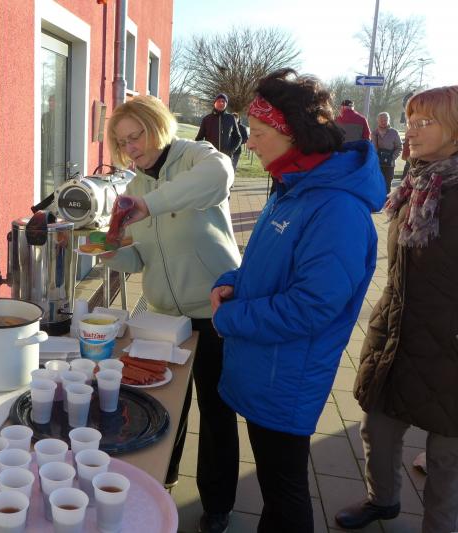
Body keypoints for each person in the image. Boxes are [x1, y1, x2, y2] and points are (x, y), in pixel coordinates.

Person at [210, 69, 386, 533]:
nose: (250, 143)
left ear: (294, 134)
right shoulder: (292, 185)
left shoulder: (337, 208)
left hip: (286, 377)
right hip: (265, 367)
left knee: (285, 492)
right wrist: (233, 282)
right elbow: (268, 266)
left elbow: (313, 306)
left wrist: (230, 318)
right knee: (275, 488)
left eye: (259, 133)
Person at [102, 95, 242, 533]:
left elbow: (220, 177)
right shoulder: (134, 187)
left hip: (214, 311)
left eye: (136, 136)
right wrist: (107, 251)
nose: (131, 148)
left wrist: (151, 205)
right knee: (163, 408)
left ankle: (217, 504)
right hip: (163, 316)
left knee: (216, 412)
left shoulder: (196, 157)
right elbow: (139, 258)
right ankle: (161, 482)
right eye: (122, 142)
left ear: (158, 126)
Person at [336, 86, 458, 533]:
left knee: (447, 457)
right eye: (411, 121)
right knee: (378, 427)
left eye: (426, 122)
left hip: (451, 345)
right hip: (400, 331)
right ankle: (382, 501)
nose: (412, 131)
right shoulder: (418, 183)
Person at [195, 93, 243, 167]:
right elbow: (199, 139)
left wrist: (230, 151)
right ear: (215, 103)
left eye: (223, 101)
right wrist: (205, 151)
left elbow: (238, 138)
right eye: (219, 101)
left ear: (226, 104)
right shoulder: (207, 119)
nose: (221, 103)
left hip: (226, 158)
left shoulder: (231, 118)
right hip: (210, 158)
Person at [371, 111, 403, 193]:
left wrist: (392, 158)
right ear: (378, 121)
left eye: (385, 120)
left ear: (388, 120)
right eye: (381, 120)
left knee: (387, 186)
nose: (383, 122)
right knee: (376, 186)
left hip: (389, 165)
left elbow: (399, 147)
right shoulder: (374, 133)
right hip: (377, 164)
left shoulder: (394, 133)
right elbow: (372, 149)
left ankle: (386, 201)